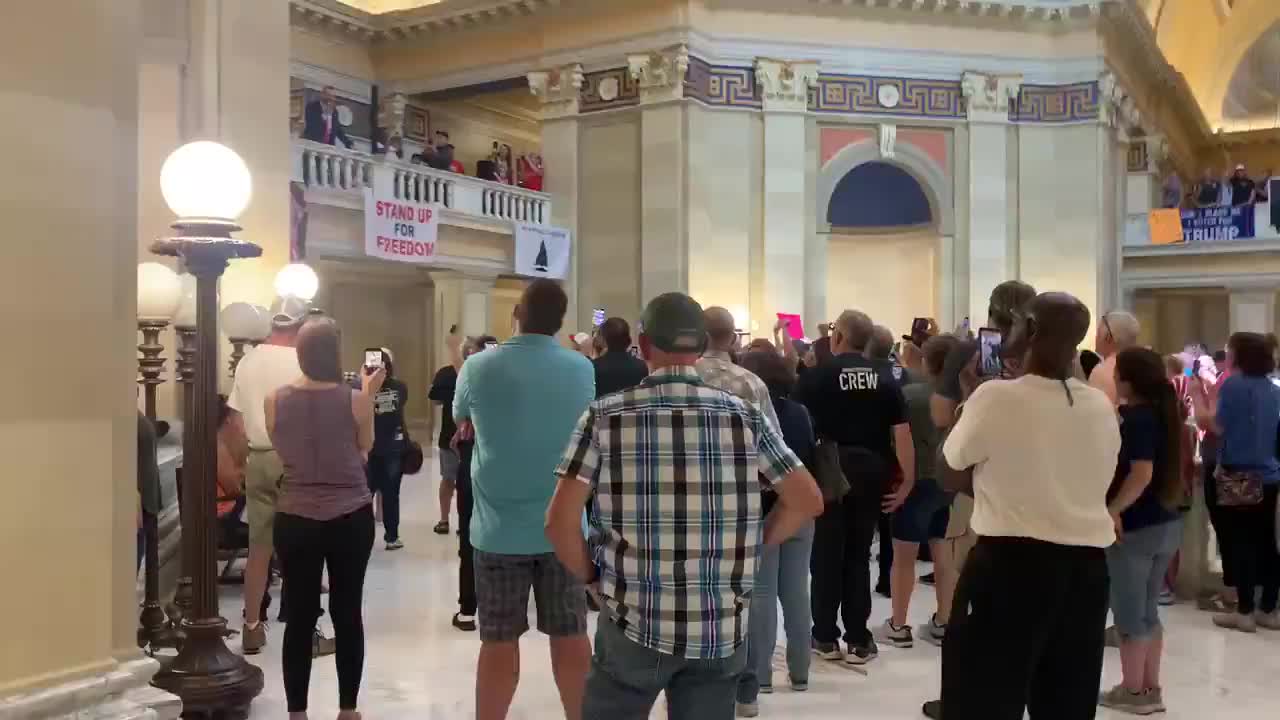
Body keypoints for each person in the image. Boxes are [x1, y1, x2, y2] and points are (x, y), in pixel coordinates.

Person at [544, 292, 824, 720]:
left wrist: (591, 578)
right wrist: (755, 547)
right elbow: (807, 499)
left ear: (644, 344)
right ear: (701, 346)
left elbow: (560, 522)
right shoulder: (745, 416)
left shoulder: (604, 417)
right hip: (719, 624)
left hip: (631, 617)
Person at [938, 292, 1120, 720]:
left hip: (1010, 567)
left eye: (1018, 324)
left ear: (1032, 331)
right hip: (1086, 571)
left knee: (982, 697)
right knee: (1066, 701)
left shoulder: (995, 398)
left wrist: (969, 401)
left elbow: (949, 470)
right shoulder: (1099, 405)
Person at [453, 279, 595, 720]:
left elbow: (461, 419)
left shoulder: (477, 367)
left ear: (517, 313)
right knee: (571, 636)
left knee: (497, 640)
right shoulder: (581, 368)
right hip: (564, 528)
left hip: (497, 529)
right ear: (560, 321)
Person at [921, 279, 1036, 720]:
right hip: (1032, 482)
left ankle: (962, 699)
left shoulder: (968, 352)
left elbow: (939, 415)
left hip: (977, 480)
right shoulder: (1046, 354)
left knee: (968, 594)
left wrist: (975, 391)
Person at [266, 318, 382, 720]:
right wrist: (367, 394)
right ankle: (347, 710)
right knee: (347, 612)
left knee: (298, 616)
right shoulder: (356, 400)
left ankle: (297, 712)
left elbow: (284, 450)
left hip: (295, 516)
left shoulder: (275, 399)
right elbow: (365, 447)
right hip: (350, 514)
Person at [795, 309, 914, 665]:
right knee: (859, 554)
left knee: (827, 553)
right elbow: (902, 433)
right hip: (872, 470)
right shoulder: (886, 380)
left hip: (829, 469)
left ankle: (825, 637)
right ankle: (860, 639)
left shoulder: (816, 377)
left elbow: (799, 429)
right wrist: (907, 479)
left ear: (839, 336)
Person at [227, 296, 333, 655]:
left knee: (259, 548)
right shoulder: (305, 362)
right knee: (304, 549)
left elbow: (236, 422)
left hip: (258, 457)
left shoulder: (248, 360)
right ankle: (309, 632)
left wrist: (244, 464)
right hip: (297, 461)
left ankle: (252, 627)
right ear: (302, 326)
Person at [1098, 347, 1186, 714]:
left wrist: (1113, 510)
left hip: (1136, 527)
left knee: (1130, 612)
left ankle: (1133, 692)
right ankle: (1150, 686)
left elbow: (1140, 473)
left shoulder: (1136, 419)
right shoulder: (1166, 415)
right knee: (1149, 609)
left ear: (1128, 381)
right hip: (1166, 521)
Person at [735, 349, 820, 716]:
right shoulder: (800, 413)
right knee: (798, 591)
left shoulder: (750, 415)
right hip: (801, 510)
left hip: (765, 511)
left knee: (764, 595)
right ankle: (801, 671)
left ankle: (762, 675)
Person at [873, 334, 959, 650]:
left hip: (915, 481)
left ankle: (898, 624)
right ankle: (944, 621)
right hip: (947, 482)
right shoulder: (964, 398)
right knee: (942, 550)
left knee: (904, 556)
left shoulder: (909, 396)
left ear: (926, 361)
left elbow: (897, 439)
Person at [1191, 331, 1280, 632]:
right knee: (1266, 541)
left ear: (1238, 355)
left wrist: (1196, 396)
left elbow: (1212, 424)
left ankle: (1244, 610)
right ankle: (1269, 607)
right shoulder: (1272, 389)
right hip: (1269, 475)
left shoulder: (1233, 386)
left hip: (1238, 473)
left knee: (1240, 542)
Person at [452, 335, 497, 633]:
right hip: (503, 463)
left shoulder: (471, 373)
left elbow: (459, 413)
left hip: (474, 461)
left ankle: (468, 608)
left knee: (469, 536)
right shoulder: (513, 378)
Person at [697, 306, 781, 429]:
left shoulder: (685, 377)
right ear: (733, 338)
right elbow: (773, 436)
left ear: (701, 337)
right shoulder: (752, 383)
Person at [365, 347, 410, 551]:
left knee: (366, 495)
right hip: (389, 447)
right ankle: (392, 537)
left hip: (375, 448)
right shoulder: (399, 387)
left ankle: (368, 537)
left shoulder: (362, 388)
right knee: (390, 495)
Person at [428, 331, 465, 535]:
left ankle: (448, 520)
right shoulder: (445, 373)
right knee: (453, 480)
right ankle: (447, 519)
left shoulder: (470, 371)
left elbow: (434, 400)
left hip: (467, 436)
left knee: (451, 480)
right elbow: (435, 399)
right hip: (450, 434)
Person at [1090, 310, 1141, 406]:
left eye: (1098, 333)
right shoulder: (1141, 368)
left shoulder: (1102, 371)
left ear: (1108, 337)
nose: (1096, 337)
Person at [592, 317, 648, 397]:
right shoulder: (642, 367)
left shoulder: (594, 367)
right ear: (628, 339)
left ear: (604, 339)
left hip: (602, 408)